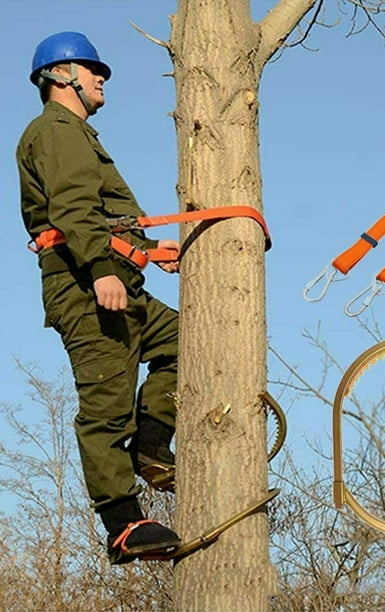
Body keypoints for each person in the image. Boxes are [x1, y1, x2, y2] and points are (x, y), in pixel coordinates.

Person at [17, 31, 181, 564]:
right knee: (106, 406)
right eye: (90, 69)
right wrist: (98, 272)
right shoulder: (56, 130)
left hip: (116, 279)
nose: (101, 76)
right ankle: (123, 524)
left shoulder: (75, 134)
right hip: (89, 288)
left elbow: (103, 217)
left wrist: (151, 249)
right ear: (59, 77)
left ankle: (152, 446)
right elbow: (72, 210)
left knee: (187, 340)